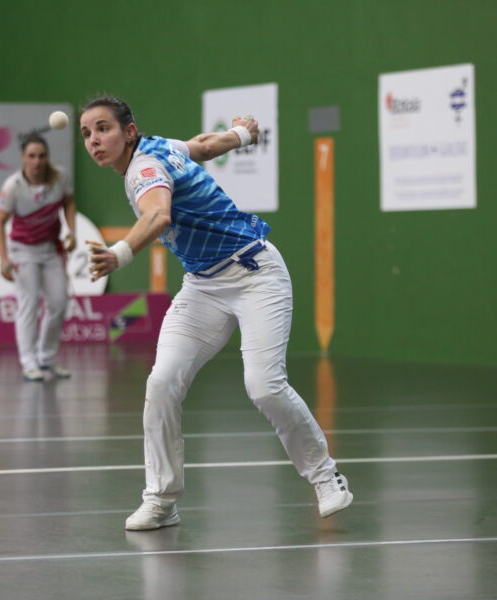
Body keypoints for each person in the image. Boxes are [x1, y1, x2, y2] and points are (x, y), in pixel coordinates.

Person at [79, 96, 353, 530]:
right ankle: (161, 500)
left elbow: (158, 214)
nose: (94, 140)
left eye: (103, 128)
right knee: (163, 382)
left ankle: (325, 477)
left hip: (255, 274)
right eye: (87, 133)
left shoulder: (143, 168)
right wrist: (241, 135)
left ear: (129, 132)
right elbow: (203, 145)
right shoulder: (161, 146)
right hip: (203, 286)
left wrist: (120, 253)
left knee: (264, 386)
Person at [0, 133, 77, 382]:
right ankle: (29, 363)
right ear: (23, 158)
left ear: (47, 157)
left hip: (50, 250)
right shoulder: (13, 186)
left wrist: (71, 231)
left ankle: (47, 358)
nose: (37, 161)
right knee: (28, 305)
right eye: (31, 156)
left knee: (59, 303)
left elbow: (69, 203)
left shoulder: (60, 178)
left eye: (42, 156)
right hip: (22, 251)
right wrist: (4, 259)